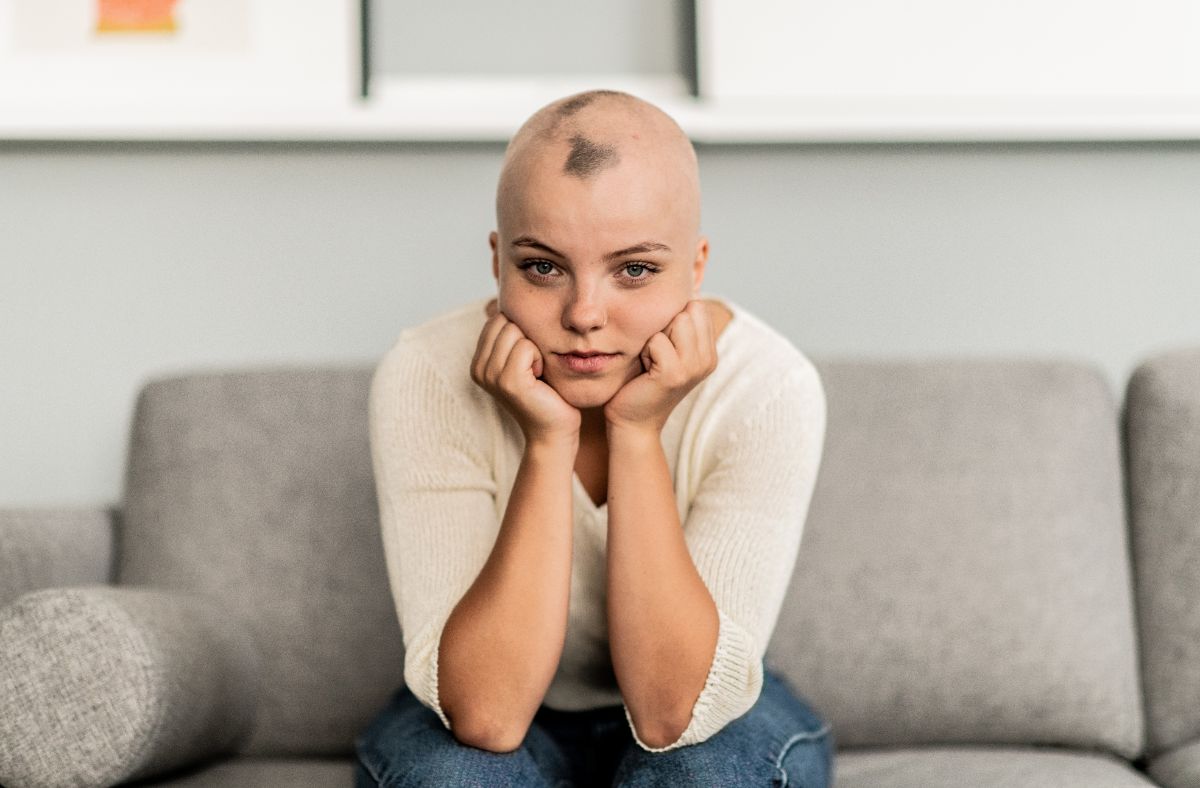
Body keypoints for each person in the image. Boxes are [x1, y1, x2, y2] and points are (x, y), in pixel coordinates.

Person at [359, 88, 832, 787]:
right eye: (542, 267)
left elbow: (674, 713)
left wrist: (637, 432)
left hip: (698, 698)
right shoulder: (426, 375)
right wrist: (547, 442)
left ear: (696, 268)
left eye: (634, 270)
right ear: (497, 262)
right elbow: (487, 714)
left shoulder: (769, 388)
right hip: (496, 700)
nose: (584, 315)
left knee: (704, 775)